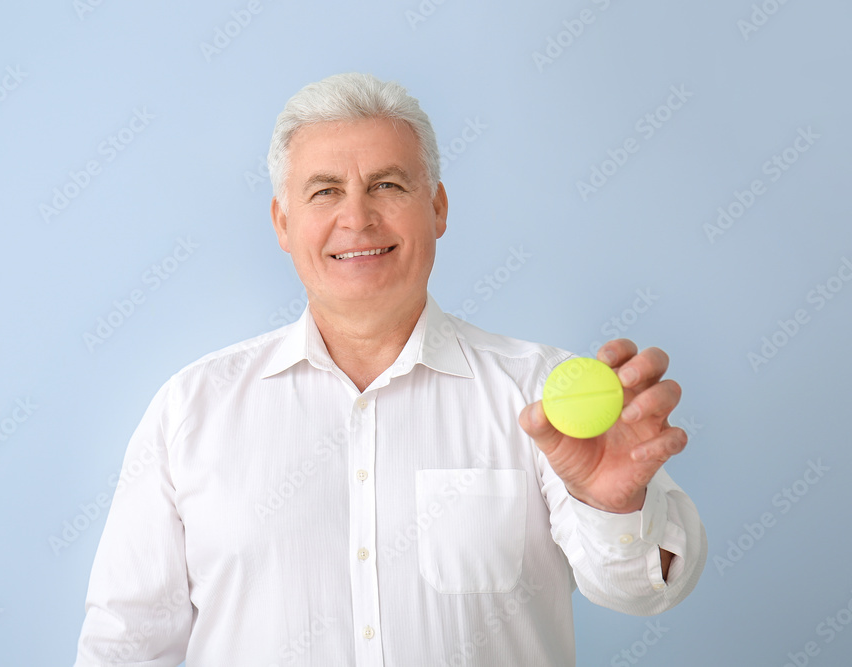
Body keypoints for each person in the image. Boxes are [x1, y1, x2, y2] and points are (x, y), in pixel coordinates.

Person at [74, 72, 707, 666]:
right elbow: (124, 645)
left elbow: (643, 591)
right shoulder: (191, 410)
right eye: (325, 191)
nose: (357, 217)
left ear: (437, 208)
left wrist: (613, 507)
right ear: (283, 223)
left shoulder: (539, 397)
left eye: (388, 185)